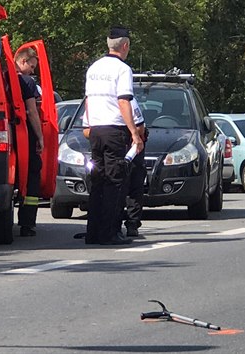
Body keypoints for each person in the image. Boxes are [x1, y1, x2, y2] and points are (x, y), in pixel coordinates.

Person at [81, 26, 144, 245]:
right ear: (125, 45)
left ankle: (93, 232)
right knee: (115, 182)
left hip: (95, 129)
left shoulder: (93, 68)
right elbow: (124, 101)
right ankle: (110, 233)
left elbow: (88, 100)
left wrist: (90, 125)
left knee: (98, 181)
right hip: (114, 130)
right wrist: (135, 133)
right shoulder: (122, 69)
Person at [14, 47, 44, 237]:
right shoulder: (26, 82)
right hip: (24, 135)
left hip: (6, 136)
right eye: (31, 66)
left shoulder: (2, 77)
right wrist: (40, 136)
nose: (33, 71)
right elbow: (32, 112)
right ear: (23, 61)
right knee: (32, 175)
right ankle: (27, 223)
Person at [121, 98, 147, 237]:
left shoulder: (129, 101)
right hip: (115, 146)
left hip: (132, 147)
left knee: (134, 185)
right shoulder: (100, 100)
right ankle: (114, 224)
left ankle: (132, 223)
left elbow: (140, 127)